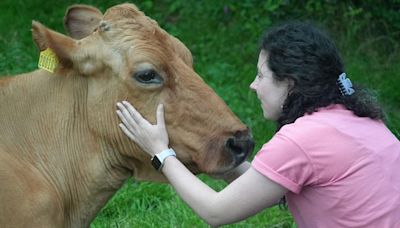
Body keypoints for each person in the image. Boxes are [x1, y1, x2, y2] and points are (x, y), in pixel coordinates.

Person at [116, 21, 400, 227]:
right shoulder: (362, 120)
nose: (253, 85)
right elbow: (270, 184)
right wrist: (218, 154)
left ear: (289, 83)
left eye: (261, 76)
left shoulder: (300, 141)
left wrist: (160, 152)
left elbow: (216, 212)